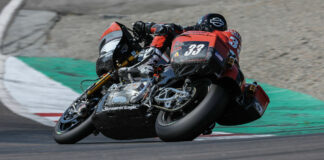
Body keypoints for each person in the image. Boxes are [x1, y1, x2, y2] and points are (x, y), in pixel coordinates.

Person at [131, 13, 242, 76]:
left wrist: (147, 26)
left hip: (209, 70)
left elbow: (167, 28)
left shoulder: (226, 35)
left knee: (166, 30)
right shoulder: (227, 36)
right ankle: (148, 62)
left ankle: (147, 62)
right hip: (174, 69)